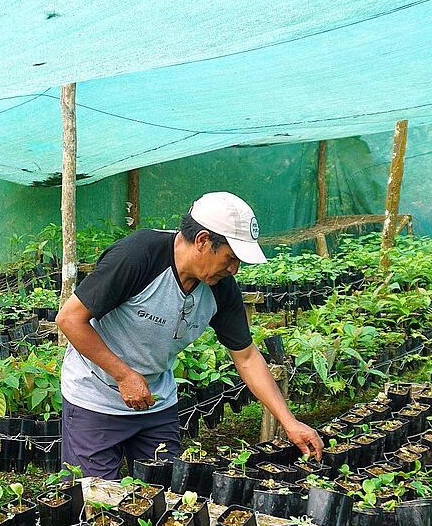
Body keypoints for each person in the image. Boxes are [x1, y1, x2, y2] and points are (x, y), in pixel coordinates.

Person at [56, 191, 322, 478]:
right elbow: (70, 318)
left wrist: (289, 422)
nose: (234, 269)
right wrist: (124, 375)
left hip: (156, 403)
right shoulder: (139, 256)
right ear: (203, 241)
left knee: (164, 497)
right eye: (230, 258)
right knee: (93, 499)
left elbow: (246, 357)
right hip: (95, 399)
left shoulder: (221, 287)